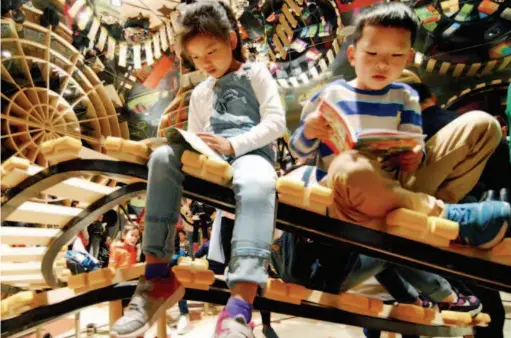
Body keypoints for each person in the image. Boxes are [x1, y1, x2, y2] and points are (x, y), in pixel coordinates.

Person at [110, 1, 286, 337]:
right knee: (162, 157)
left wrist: (233, 145)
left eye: (212, 51)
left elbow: (276, 121)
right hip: (213, 157)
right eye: (196, 57)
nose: (205, 63)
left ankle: (238, 309)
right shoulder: (201, 91)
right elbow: (195, 133)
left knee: (258, 182)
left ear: (232, 40)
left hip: (250, 154)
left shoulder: (256, 73)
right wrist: (195, 146)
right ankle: (157, 276)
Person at [290, 2, 509, 250]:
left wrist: (414, 155)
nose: (382, 64)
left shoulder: (406, 97)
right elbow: (299, 153)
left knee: (483, 125)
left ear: (406, 59)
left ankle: (423, 215)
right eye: (372, 54)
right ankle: (444, 217)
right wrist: (308, 131)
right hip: (348, 191)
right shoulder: (330, 95)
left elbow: (417, 148)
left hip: (399, 182)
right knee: (349, 163)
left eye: (395, 56)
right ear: (352, 55)